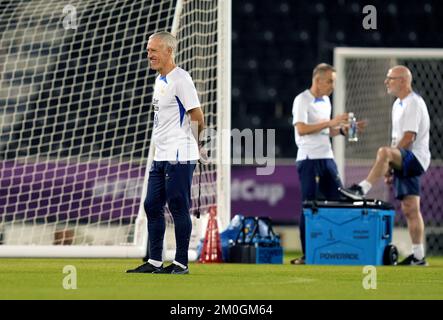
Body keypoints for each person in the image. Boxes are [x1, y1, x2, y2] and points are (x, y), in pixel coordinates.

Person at [127, 31, 205, 274]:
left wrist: (196, 145)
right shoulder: (160, 80)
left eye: (154, 50)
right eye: (148, 50)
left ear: (169, 51)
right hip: (161, 155)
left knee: (178, 205)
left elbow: (197, 116)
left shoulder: (181, 79)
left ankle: (181, 263)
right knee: (151, 205)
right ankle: (155, 261)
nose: (149, 54)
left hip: (179, 155)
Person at [339, 65, 430, 266]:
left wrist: (389, 159)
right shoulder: (397, 104)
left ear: (403, 81)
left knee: (383, 151)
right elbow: (397, 138)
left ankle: (362, 188)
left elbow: (408, 137)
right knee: (410, 209)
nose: (386, 81)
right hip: (404, 157)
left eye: (390, 78)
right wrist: (390, 165)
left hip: (415, 158)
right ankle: (419, 257)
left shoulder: (413, 102)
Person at [291, 63, 352, 265]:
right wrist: (330, 122)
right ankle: (308, 254)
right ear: (318, 80)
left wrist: (342, 130)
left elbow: (325, 131)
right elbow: (301, 129)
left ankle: (338, 249)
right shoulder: (302, 100)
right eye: (330, 81)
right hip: (308, 159)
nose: (333, 86)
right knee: (309, 205)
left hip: (327, 157)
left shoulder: (326, 101)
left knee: (340, 200)